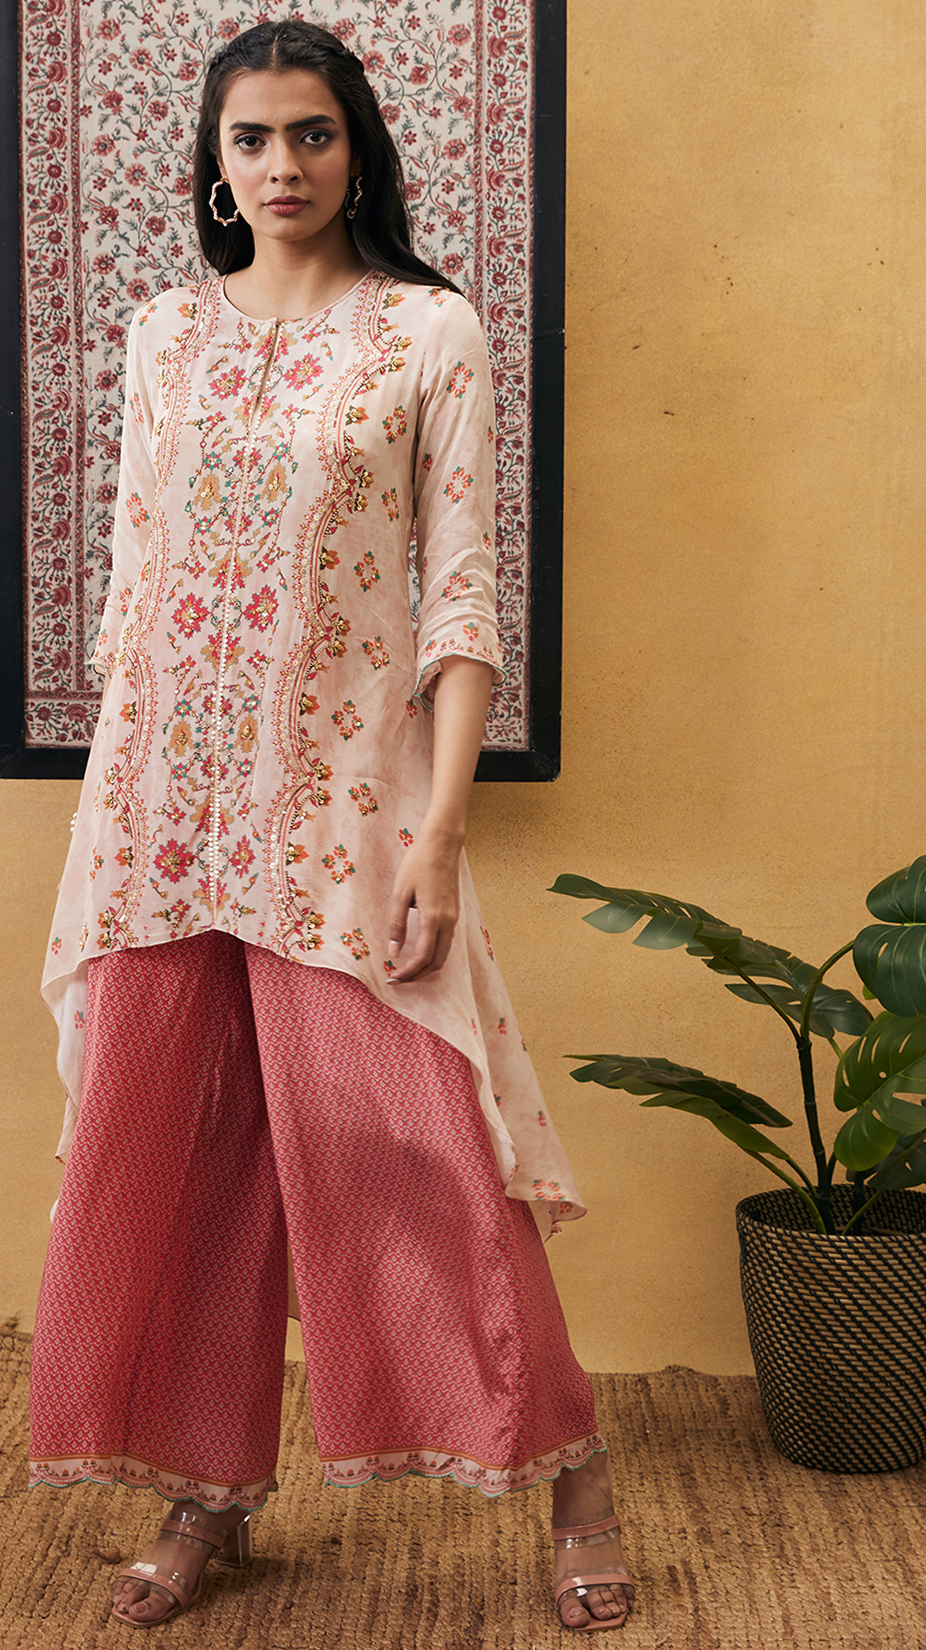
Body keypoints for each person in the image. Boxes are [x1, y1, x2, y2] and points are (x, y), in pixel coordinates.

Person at [28, 19, 634, 1633]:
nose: (282, 165)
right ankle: (203, 1487)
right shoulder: (166, 332)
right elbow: (134, 587)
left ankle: (573, 1468)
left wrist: (438, 835)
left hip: (342, 802)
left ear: (358, 148)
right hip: (165, 808)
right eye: (252, 139)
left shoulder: (428, 332)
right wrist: (111, 821)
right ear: (214, 163)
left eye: (312, 134)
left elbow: (461, 599)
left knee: (419, 1146)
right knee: (179, 1156)